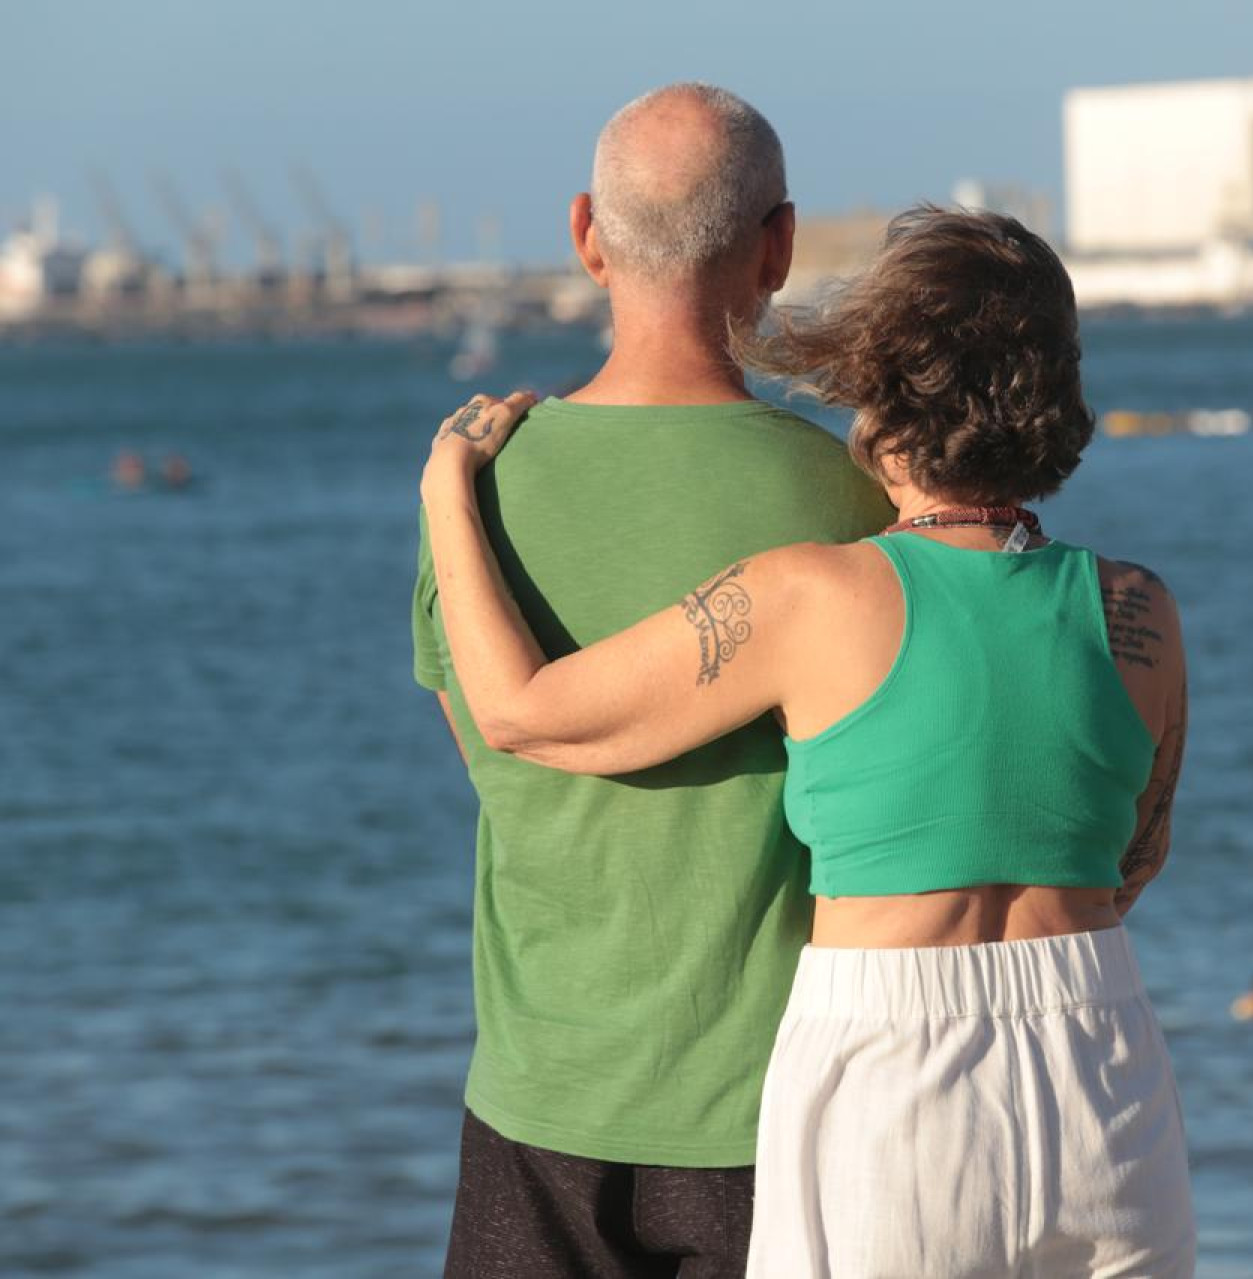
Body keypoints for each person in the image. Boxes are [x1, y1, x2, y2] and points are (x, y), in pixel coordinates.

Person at [421, 207, 1196, 1277]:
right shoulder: (1140, 610)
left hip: (895, 1080)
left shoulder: (812, 596)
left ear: (882, 393)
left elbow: (517, 712)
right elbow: (1136, 856)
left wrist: (447, 489)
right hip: (1104, 1063)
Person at [410, 84, 894, 1278]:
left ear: (587, 233)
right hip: (769, 1109)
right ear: (779, 247)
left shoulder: (476, 488)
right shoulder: (850, 500)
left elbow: (491, 752)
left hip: (538, 1095)